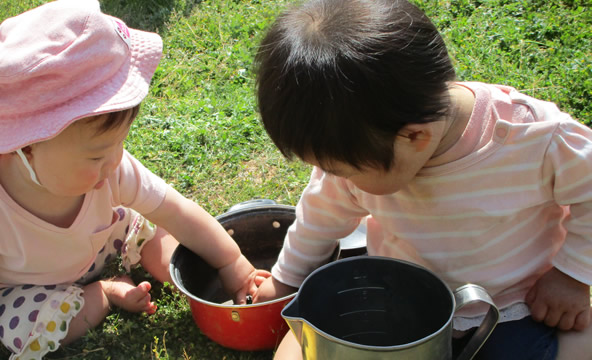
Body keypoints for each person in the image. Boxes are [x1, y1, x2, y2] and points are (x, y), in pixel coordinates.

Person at [252, 0, 592, 358]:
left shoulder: (535, 140)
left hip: (511, 306)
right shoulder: (363, 145)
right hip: (401, 302)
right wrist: (284, 279)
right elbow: (318, 217)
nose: (331, 178)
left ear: (415, 139)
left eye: (340, 171)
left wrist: (570, 276)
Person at [0, 1, 266, 359]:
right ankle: (104, 294)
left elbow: (175, 211)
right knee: (23, 330)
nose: (114, 162)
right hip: (30, 286)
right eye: (96, 155)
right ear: (25, 148)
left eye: (119, 145)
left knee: (161, 237)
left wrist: (232, 263)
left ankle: (191, 279)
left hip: (109, 238)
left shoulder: (113, 167)